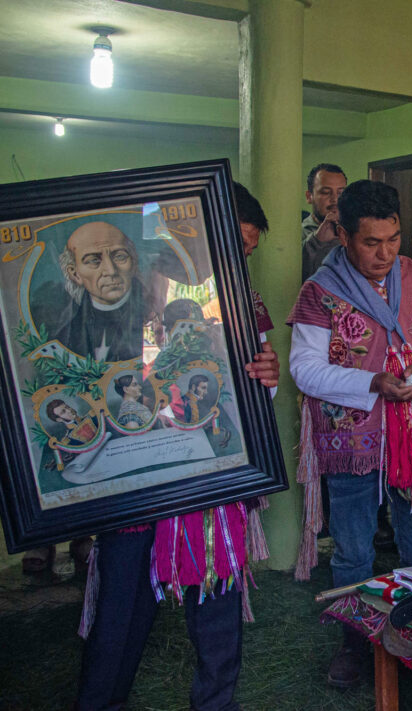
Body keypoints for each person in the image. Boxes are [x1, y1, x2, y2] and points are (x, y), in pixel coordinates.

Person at [75, 182, 280, 711]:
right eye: (231, 246)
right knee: (121, 604)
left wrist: (266, 377)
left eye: (247, 252)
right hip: (135, 478)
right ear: (191, 232)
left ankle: (216, 703)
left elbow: (251, 393)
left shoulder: (241, 302)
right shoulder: (116, 293)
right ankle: (101, 701)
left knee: (216, 602)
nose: (237, 260)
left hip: (208, 478)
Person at [289, 179, 412, 688]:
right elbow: (304, 368)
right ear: (343, 235)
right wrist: (371, 381)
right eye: (371, 242)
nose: (385, 253)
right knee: (352, 550)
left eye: (393, 239)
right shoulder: (319, 291)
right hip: (353, 437)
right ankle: (358, 643)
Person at [54, 221, 149, 362]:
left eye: (120, 256)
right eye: (93, 260)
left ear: (133, 262)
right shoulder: (66, 336)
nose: (110, 271)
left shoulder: (151, 315)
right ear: (75, 274)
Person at [302, 162, 348, 281]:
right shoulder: (296, 234)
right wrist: (317, 241)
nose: (335, 199)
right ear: (309, 196)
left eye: (341, 193)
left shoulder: (353, 231)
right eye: (326, 192)